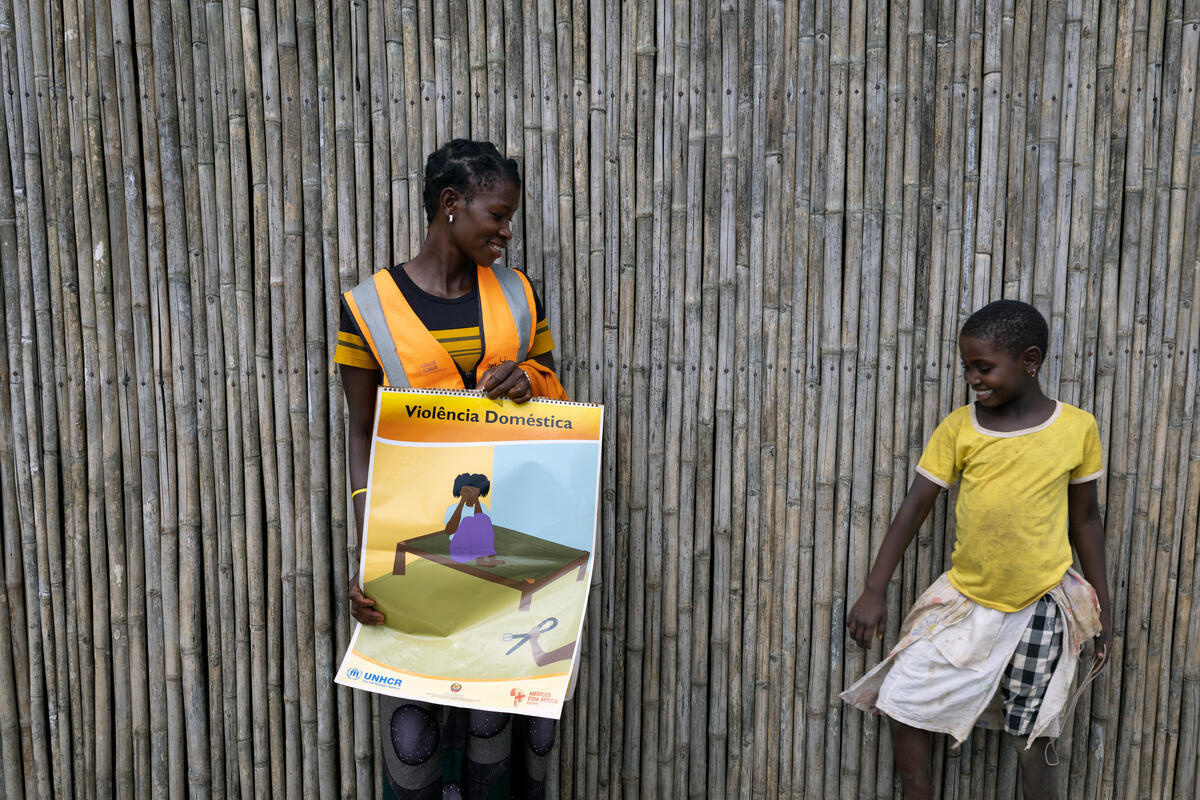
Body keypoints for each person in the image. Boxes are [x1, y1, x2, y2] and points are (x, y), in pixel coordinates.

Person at [336, 139, 566, 800]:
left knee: (500, 718)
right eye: (496, 215)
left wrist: (530, 380)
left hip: (509, 550)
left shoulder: (520, 295)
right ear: (449, 205)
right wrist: (371, 556)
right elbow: (360, 435)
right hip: (420, 549)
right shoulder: (368, 308)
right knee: (417, 725)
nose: (505, 230)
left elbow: (557, 406)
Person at [841, 300, 1112, 800]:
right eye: (967, 366)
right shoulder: (960, 427)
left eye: (983, 367)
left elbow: (1086, 520)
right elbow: (914, 506)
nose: (972, 378)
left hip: (1041, 606)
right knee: (902, 699)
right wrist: (873, 589)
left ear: (1029, 360)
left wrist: (1102, 610)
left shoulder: (1077, 428)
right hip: (965, 600)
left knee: (1031, 729)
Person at [444, 474, 503, 567]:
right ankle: (480, 559)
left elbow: (484, 529)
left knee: (482, 518)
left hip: (476, 549)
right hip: (460, 551)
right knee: (468, 520)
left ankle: (490, 559)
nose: (470, 494)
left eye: (473, 491)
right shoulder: (452, 508)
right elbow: (449, 531)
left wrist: (476, 500)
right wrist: (462, 500)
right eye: (467, 491)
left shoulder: (482, 507)